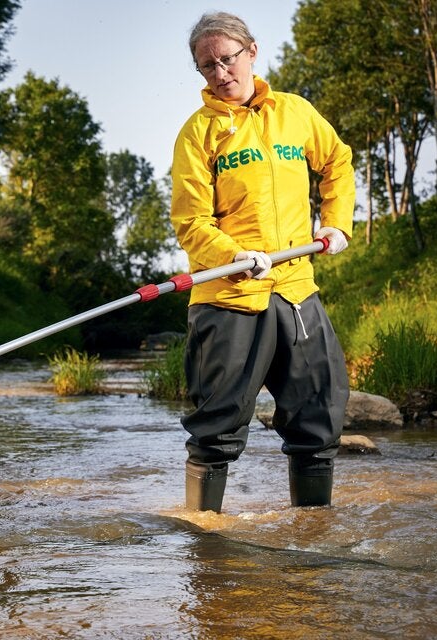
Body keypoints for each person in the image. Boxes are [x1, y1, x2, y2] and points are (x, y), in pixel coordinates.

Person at [170, 12, 355, 512]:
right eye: (206, 66)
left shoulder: (296, 113)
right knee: (217, 428)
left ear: (252, 51)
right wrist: (233, 255)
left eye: (226, 59)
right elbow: (191, 223)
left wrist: (336, 222)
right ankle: (204, 546)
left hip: (296, 290)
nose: (219, 73)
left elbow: (338, 161)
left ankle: (313, 537)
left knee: (319, 417)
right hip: (229, 297)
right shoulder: (198, 134)